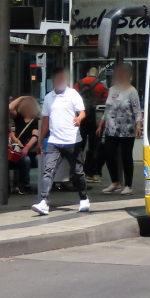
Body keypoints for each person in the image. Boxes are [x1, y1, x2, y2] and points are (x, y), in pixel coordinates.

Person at [33, 68, 89, 215]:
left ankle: (83, 198)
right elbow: (46, 120)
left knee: (78, 172)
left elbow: (82, 111)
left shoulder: (73, 94)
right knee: (48, 171)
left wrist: (79, 118)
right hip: (54, 141)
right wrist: (40, 141)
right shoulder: (48, 98)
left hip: (72, 140)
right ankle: (44, 202)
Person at [98, 63, 142, 195]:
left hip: (127, 129)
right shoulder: (111, 89)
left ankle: (128, 185)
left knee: (126, 156)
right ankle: (115, 182)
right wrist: (101, 124)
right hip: (111, 129)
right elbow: (107, 109)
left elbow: (137, 111)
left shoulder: (131, 91)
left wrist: (138, 126)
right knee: (109, 154)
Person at [76, 67, 108, 183]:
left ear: (87, 73)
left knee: (80, 145)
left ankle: (77, 172)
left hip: (81, 119)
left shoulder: (78, 84)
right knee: (95, 147)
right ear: (98, 75)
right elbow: (107, 100)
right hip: (96, 120)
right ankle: (92, 173)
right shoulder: (101, 85)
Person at [8, 96, 41, 194]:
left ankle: (43, 184)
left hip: (32, 150)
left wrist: (27, 147)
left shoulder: (36, 120)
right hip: (19, 150)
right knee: (25, 160)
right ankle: (24, 185)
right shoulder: (19, 118)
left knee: (39, 159)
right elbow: (9, 108)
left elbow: (35, 136)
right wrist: (22, 97)